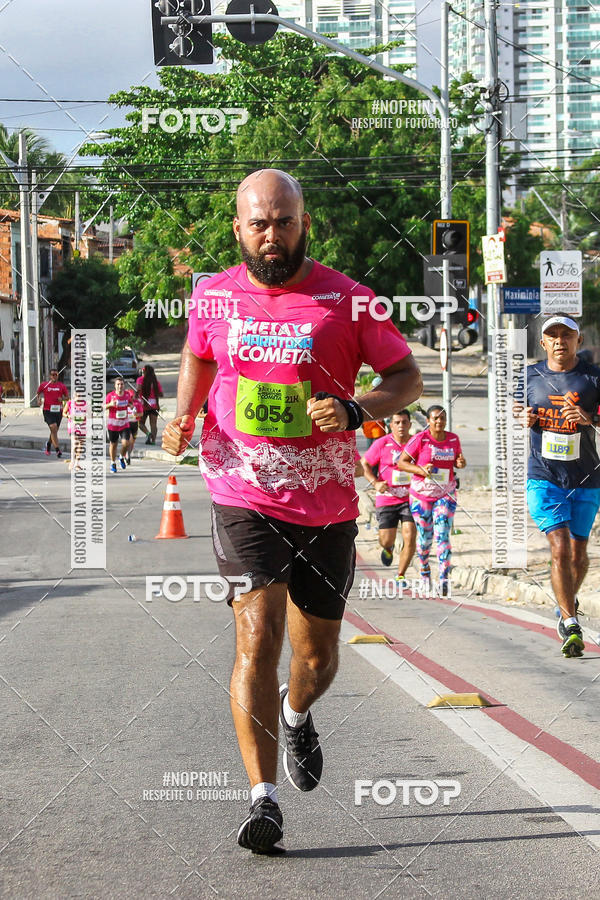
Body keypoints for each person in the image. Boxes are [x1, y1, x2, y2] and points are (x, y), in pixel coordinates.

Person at [162, 169, 422, 855]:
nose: (270, 235)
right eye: (257, 223)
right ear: (238, 228)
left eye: (282, 221)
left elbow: (407, 378)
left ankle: (297, 711)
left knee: (318, 655)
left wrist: (356, 409)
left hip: (326, 497)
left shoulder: (350, 301)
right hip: (240, 488)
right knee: (258, 636)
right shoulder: (213, 298)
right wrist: (183, 414)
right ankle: (263, 800)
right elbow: (196, 356)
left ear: (304, 222)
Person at [521, 316, 600, 658]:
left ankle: (566, 601)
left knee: (579, 556)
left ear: (578, 340)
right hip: (545, 477)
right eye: (552, 335)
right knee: (560, 548)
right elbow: (517, 409)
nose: (559, 340)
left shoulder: (593, 377)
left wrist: (589, 419)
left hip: (586, 477)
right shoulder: (529, 376)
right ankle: (570, 623)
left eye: (566, 335)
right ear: (543, 343)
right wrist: (523, 417)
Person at [397, 405, 466, 595]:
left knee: (443, 532)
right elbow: (401, 462)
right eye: (435, 418)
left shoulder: (453, 439)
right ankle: (425, 569)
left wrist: (460, 462)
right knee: (425, 537)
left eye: (442, 418)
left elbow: (458, 460)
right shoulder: (420, 439)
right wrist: (421, 470)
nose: (439, 421)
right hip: (422, 495)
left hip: (446, 493)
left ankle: (444, 577)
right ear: (428, 421)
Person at [361, 410, 416, 585]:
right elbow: (364, 464)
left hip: (410, 497)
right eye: (397, 422)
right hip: (387, 498)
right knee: (386, 539)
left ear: (410, 424)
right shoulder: (382, 443)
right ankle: (388, 548)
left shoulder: (416, 443)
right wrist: (376, 482)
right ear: (390, 425)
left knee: (410, 535)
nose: (401, 426)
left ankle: (401, 574)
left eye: (404, 422)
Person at [37, 369, 69, 458]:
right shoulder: (45, 385)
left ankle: (48, 444)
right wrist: (39, 400)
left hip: (58, 411)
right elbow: (38, 393)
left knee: (54, 431)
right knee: (53, 427)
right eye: (52, 375)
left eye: (56, 374)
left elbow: (67, 397)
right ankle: (57, 450)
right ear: (50, 376)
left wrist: (62, 399)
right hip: (48, 410)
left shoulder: (61, 386)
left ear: (58, 375)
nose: (54, 376)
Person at [105, 378, 131, 473]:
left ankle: (121, 457)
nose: (120, 386)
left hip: (124, 424)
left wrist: (131, 406)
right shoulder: (110, 396)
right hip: (113, 425)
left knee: (126, 443)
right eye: (118, 384)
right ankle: (112, 463)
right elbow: (103, 407)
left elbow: (130, 403)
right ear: (115, 386)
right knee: (113, 444)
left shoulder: (127, 395)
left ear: (124, 385)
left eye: (122, 384)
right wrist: (110, 404)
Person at [136, 364, 163, 445]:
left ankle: (148, 434)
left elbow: (138, 390)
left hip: (144, 405)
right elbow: (161, 394)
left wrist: (134, 396)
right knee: (153, 424)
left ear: (144, 372)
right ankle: (153, 441)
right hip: (155, 405)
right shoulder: (156, 382)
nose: (142, 372)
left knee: (140, 423)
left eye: (143, 371)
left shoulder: (140, 380)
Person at [64, 393, 86, 471]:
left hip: (82, 426)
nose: (78, 397)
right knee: (75, 444)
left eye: (80, 395)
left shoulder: (86, 404)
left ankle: (77, 463)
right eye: (77, 396)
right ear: (73, 396)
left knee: (81, 444)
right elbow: (64, 413)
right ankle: (72, 461)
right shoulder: (70, 403)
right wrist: (68, 416)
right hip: (73, 426)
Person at [125, 384, 144, 465]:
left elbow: (141, 414)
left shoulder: (137, 403)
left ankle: (127, 453)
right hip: (126, 424)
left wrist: (136, 415)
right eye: (129, 397)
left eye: (132, 396)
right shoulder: (124, 404)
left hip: (135, 423)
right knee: (130, 439)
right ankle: (127, 455)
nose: (131, 398)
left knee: (132, 442)